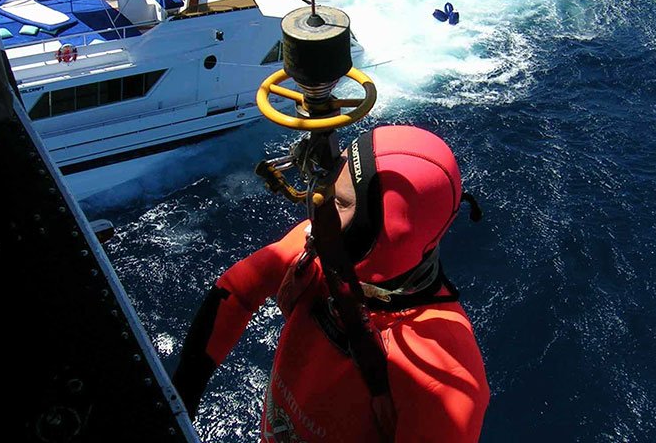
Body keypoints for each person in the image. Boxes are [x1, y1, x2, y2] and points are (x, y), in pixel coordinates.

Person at [173, 125, 490, 441]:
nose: (318, 209)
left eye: (338, 202)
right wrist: (180, 398)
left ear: (385, 232)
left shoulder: (444, 378)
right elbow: (237, 291)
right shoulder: (320, 249)